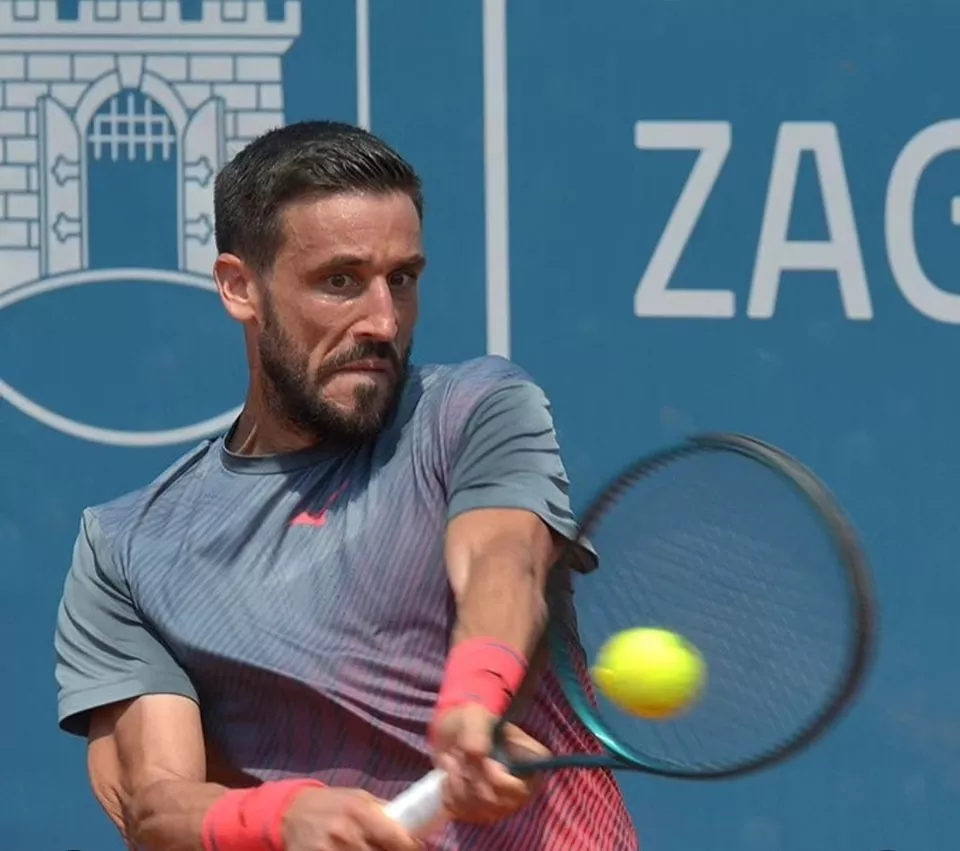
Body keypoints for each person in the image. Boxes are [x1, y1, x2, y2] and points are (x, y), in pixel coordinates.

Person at [54, 120, 638, 851]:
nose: (383, 321)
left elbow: (505, 559)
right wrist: (281, 816)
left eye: (403, 279)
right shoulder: (127, 548)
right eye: (340, 282)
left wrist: (473, 698)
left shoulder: (474, 409)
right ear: (240, 287)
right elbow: (153, 805)